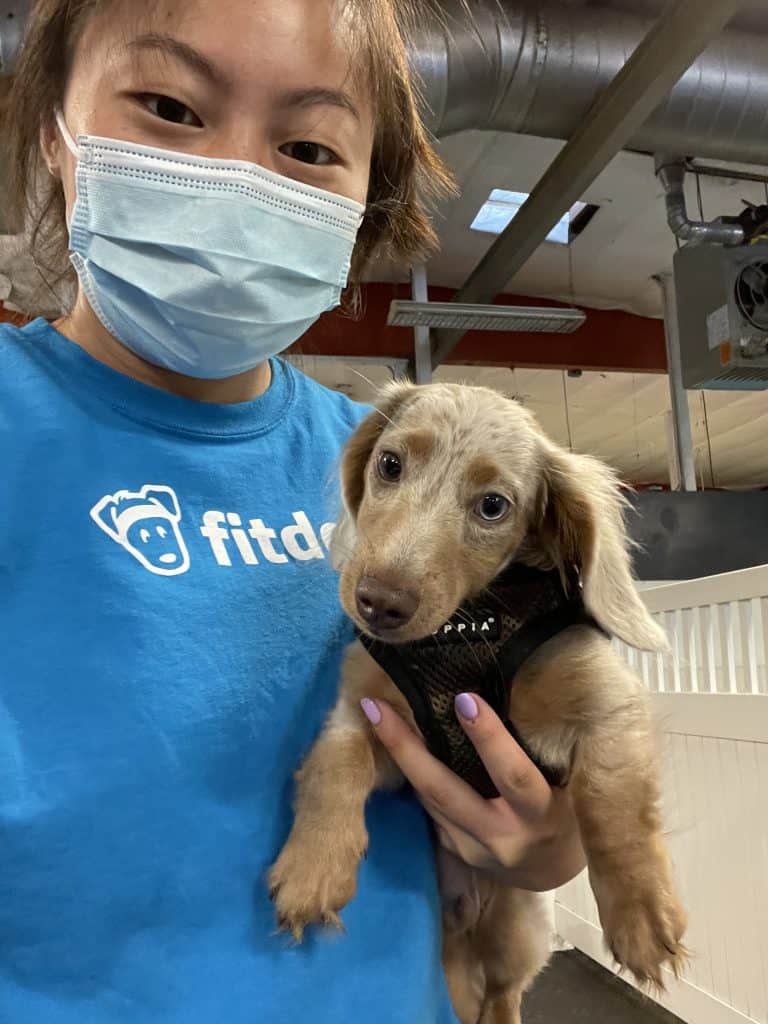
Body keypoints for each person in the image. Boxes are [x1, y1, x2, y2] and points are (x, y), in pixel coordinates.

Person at [0, 1, 586, 1021]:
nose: (240, 178)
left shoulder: (375, 456)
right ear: (56, 132)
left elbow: (514, 766)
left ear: (366, 201)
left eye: (310, 145)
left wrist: (548, 841)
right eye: (171, 107)